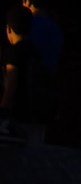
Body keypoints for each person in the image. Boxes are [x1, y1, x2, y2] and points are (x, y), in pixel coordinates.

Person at [1, 8, 55, 145]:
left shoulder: (13, 52)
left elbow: (12, 83)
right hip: (38, 115)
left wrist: (3, 108)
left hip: (19, 116)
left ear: (9, 29)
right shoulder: (36, 52)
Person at [19, 0, 61, 73]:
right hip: (51, 76)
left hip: (33, 77)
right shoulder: (55, 26)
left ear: (28, 1)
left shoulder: (27, 24)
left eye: (23, 0)